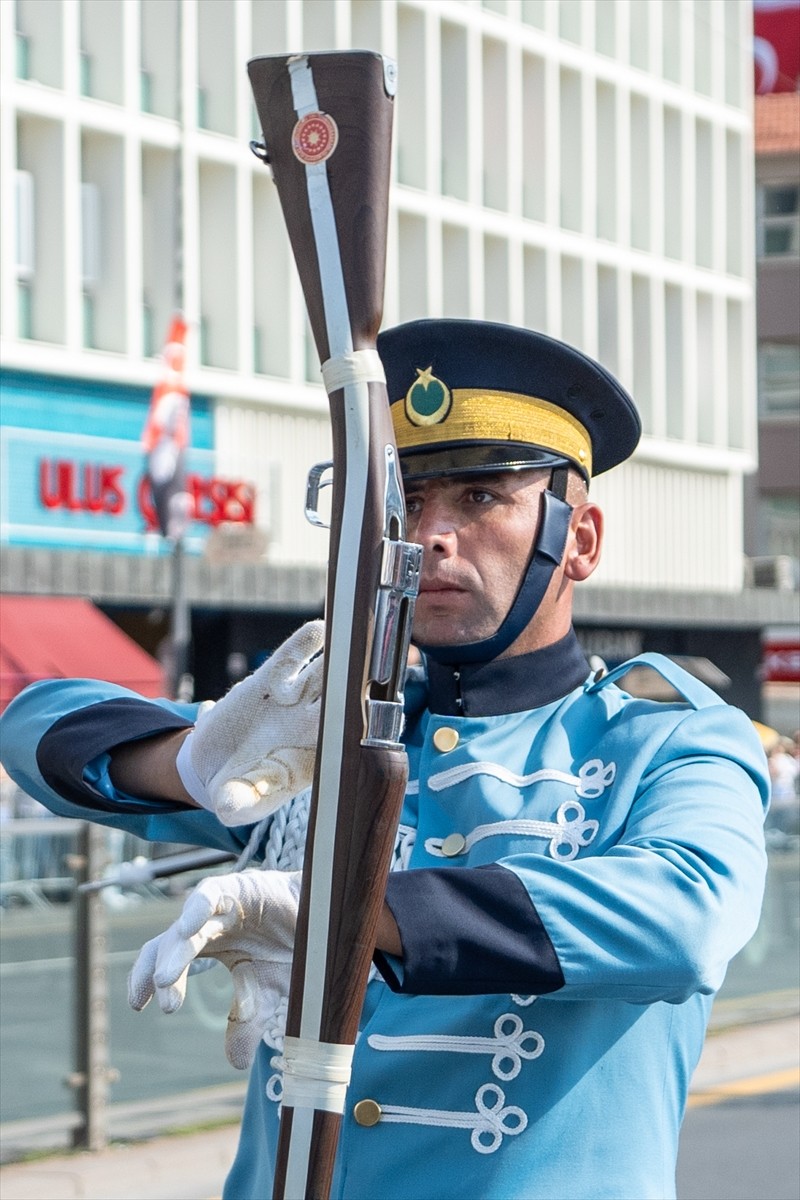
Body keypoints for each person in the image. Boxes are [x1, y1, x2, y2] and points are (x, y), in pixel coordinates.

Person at [0, 320, 769, 1200]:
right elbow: (30, 729)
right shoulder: (329, 736)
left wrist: (341, 911)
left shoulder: (667, 734)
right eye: (405, 503)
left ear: (580, 540)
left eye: (480, 498)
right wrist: (198, 762)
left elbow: (683, 919)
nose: (431, 536)